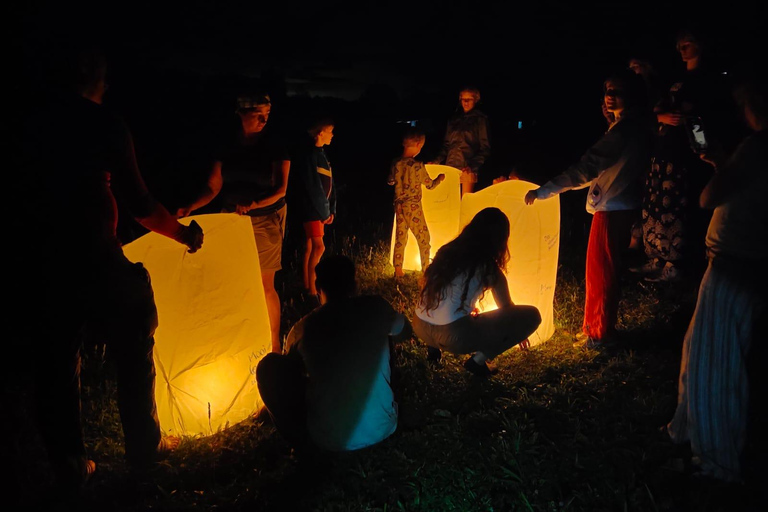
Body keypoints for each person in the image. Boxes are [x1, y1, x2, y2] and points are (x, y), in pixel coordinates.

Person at [14, 44, 204, 491]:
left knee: (57, 362)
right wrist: (183, 234)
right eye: (104, 76)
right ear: (91, 77)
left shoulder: (29, 123)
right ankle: (144, 448)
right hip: (93, 253)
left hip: (42, 259)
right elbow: (140, 203)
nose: (109, 84)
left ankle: (70, 464)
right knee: (135, 333)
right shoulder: (101, 123)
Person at [665, 77, 767, 483]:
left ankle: (715, 461)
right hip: (745, 261)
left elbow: (710, 197)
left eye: (746, 103)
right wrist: (724, 163)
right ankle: (683, 428)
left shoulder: (759, 146)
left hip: (735, 264)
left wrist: (722, 170)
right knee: (697, 346)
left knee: (717, 362)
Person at [524, 70, 653, 348]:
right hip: (617, 204)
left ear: (630, 95)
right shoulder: (627, 126)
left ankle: (601, 333)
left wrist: (544, 191)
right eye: (607, 89)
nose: (609, 95)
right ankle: (594, 326)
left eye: (616, 90)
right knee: (598, 270)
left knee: (602, 272)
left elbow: (587, 167)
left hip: (613, 207)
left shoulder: (625, 130)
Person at [256, 255, 410, 452]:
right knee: (387, 333)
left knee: (269, 366)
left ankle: (299, 445)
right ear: (354, 285)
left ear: (318, 286)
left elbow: (291, 373)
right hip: (382, 428)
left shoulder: (302, 329)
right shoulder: (375, 307)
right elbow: (405, 332)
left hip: (325, 438)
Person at [187, 93, 290, 353]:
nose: (264, 119)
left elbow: (280, 188)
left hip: (264, 219)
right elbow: (214, 186)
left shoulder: (275, 145)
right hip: (231, 220)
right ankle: (238, 335)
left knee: (265, 284)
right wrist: (189, 207)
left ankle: (274, 344)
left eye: (267, 114)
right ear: (241, 114)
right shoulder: (227, 145)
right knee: (234, 279)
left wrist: (254, 204)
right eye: (258, 114)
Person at [633, 28, 729, 282]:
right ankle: (657, 256)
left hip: (682, 153)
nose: (682, 48)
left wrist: (702, 146)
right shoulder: (677, 79)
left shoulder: (706, 79)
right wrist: (659, 115)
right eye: (679, 44)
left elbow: (701, 117)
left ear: (701, 44)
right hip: (663, 150)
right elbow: (658, 105)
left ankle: (675, 263)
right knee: (657, 203)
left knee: (676, 206)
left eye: (688, 42)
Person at [412, 208, 541, 377]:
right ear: (500, 240)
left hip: (420, 325)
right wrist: (517, 329)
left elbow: (438, 288)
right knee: (533, 315)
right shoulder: (488, 266)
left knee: (448, 313)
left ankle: (433, 351)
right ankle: (478, 362)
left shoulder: (446, 251)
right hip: (453, 337)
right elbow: (507, 309)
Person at [289, 118, 337, 298]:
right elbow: (313, 186)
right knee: (319, 247)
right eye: (330, 131)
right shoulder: (310, 156)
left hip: (319, 209)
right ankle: (312, 291)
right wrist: (324, 211)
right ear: (320, 133)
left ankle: (308, 285)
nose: (332, 135)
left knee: (310, 246)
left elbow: (330, 183)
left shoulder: (321, 154)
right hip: (313, 210)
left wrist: (331, 208)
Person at [389, 127, 445, 277]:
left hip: (399, 206)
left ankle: (398, 270)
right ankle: (426, 270)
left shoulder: (395, 163)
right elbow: (430, 184)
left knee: (401, 238)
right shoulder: (417, 166)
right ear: (419, 145)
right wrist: (439, 178)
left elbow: (390, 181)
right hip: (413, 206)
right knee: (423, 238)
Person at [432, 86, 490, 195]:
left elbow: (485, 148)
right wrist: (435, 161)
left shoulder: (480, 120)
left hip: (467, 170)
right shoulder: (454, 119)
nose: (466, 102)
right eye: (463, 99)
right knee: (449, 202)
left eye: (469, 99)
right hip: (450, 167)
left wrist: (472, 166)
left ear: (476, 100)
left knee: (465, 204)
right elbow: (446, 145)